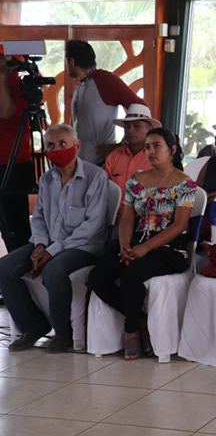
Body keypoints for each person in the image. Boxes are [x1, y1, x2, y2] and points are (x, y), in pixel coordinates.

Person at [88, 128, 195, 360]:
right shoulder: (137, 181)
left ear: (172, 150)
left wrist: (145, 248)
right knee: (97, 276)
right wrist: (126, 246)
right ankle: (139, 320)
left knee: (131, 276)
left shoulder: (184, 184)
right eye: (148, 147)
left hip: (169, 249)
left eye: (157, 146)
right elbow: (127, 218)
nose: (151, 151)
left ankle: (130, 331)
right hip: (137, 242)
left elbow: (179, 225)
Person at [0, 125, 108, 353]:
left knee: (54, 270)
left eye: (63, 144)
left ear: (76, 146)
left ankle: (63, 333)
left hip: (83, 245)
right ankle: (33, 326)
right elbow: (38, 217)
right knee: (5, 267)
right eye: (50, 145)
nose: (56, 149)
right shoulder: (47, 179)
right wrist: (40, 244)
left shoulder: (95, 176)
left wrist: (52, 250)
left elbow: (92, 226)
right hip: (47, 241)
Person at [66, 40, 146, 166]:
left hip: (101, 163)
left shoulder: (106, 81)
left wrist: (123, 144)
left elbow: (140, 107)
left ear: (72, 62)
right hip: (79, 160)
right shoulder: (81, 83)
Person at [0, 56, 35, 253]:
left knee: (17, 229)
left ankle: (21, 271)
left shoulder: (14, 85)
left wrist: (3, 72)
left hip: (13, 164)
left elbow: (5, 111)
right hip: (8, 161)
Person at [104, 104, 159, 204]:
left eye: (137, 126)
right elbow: (104, 191)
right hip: (115, 216)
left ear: (150, 129)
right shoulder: (113, 157)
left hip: (146, 216)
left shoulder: (158, 158)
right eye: (127, 126)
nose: (130, 130)